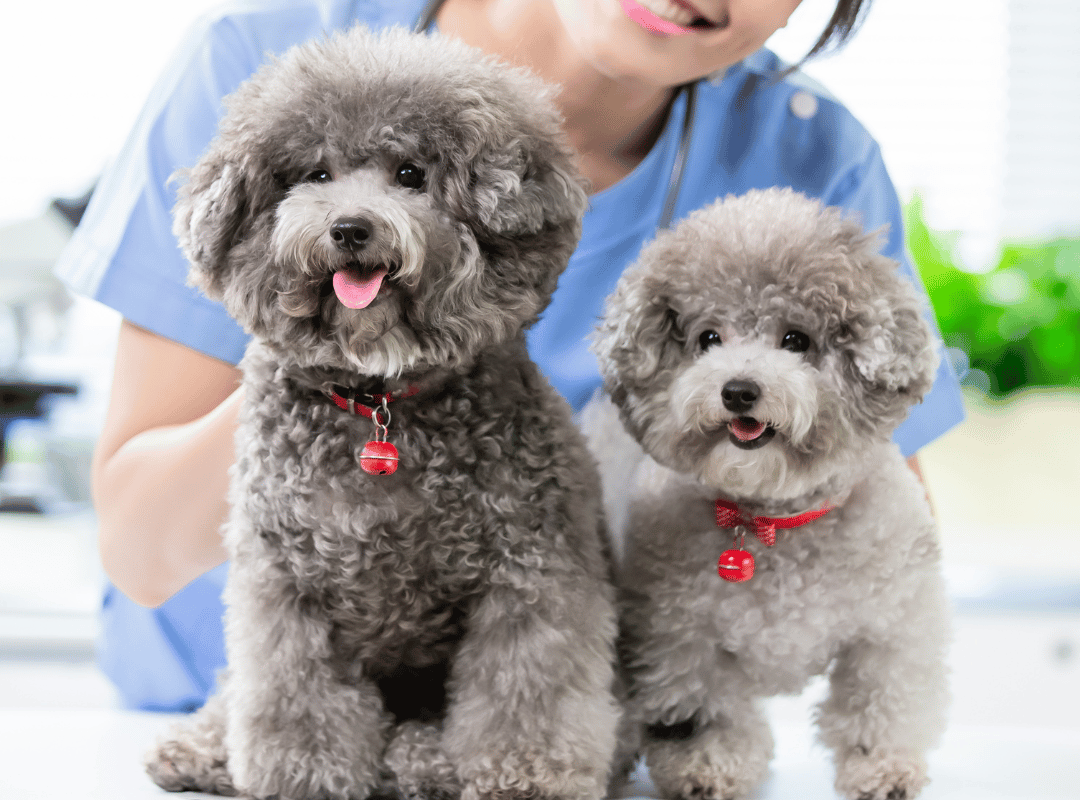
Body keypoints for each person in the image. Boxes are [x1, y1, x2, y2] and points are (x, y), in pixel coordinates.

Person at [56, 0, 965, 712]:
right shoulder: (262, 56)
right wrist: (346, 360)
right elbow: (138, 549)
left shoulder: (810, 153)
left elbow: (884, 554)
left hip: (546, 725)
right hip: (222, 720)